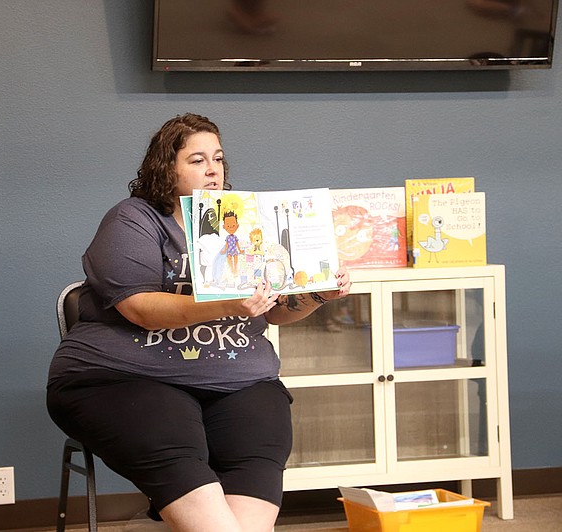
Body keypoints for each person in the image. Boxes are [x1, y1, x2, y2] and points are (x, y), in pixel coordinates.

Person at [47, 113, 351, 532]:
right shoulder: (133, 219)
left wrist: (318, 295)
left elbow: (277, 311)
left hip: (239, 379)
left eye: (219, 159)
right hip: (129, 376)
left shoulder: (243, 222)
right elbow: (140, 309)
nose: (213, 169)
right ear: (166, 168)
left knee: (257, 458)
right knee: (181, 453)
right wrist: (226, 305)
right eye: (197, 160)